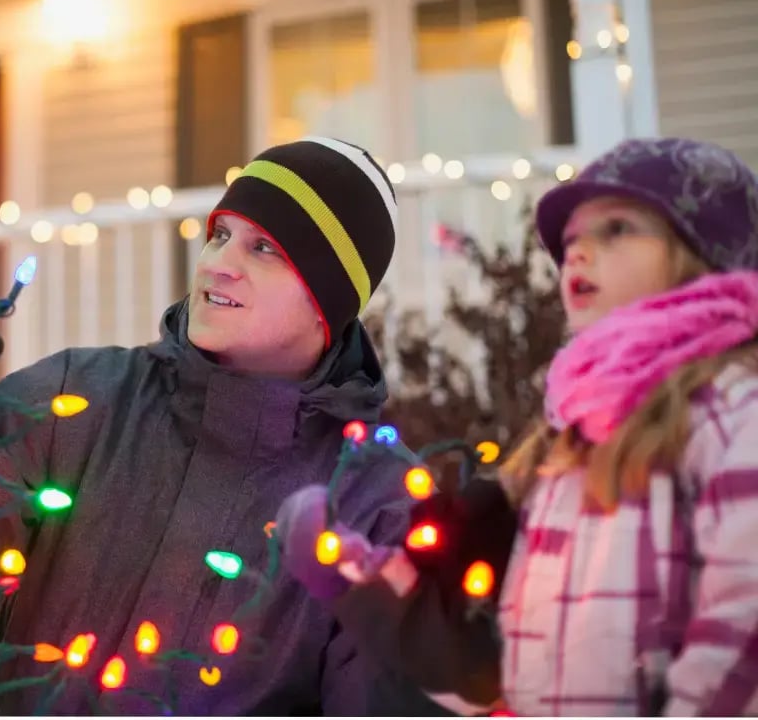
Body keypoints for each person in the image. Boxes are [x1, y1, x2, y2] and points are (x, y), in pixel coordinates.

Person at [0, 108, 442, 714]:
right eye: (221, 235)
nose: (217, 264)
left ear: (329, 303)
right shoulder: (76, 398)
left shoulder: (376, 506)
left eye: (265, 249)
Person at [278, 136, 758, 716]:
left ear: (700, 254)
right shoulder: (570, 441)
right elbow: (497, 665)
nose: (577, 253)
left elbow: (741, 626)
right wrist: (359, 578)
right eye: (572, 240)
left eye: (616, 230)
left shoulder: (732, 415)